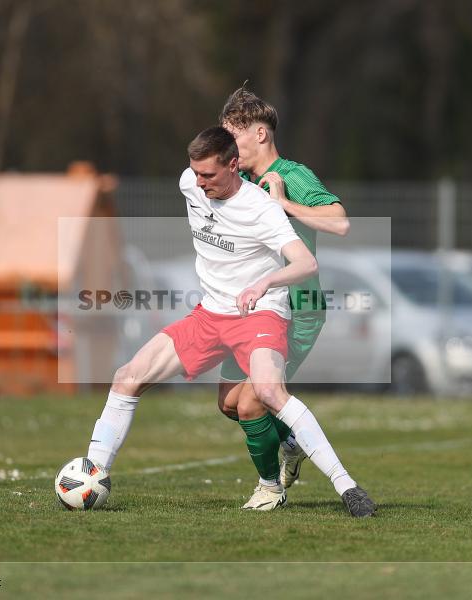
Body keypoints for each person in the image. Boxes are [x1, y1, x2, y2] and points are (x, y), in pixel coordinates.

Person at [86, 126, 375, 517]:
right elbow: (200, 168)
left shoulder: (261, 208)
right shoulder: (189, 182)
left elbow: (306, 262)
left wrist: (266, 281)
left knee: (267, 394)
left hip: (261, 313)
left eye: (209, 175)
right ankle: (92, 474)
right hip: (210, 314)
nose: (200, 182)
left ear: (234, 165)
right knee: (128, 377)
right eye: (196, 173)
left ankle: (346, 487)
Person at [216, 84, 355, 511]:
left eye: (233, 137)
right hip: (251, 310)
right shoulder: (240, 180)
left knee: (254, 398)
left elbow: (339, 222)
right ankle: (291, 439)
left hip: (297, 310)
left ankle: (270, 487)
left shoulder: (293, 176)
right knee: (228, 403)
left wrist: (284, 205)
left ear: (260, 134)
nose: (227, 147)